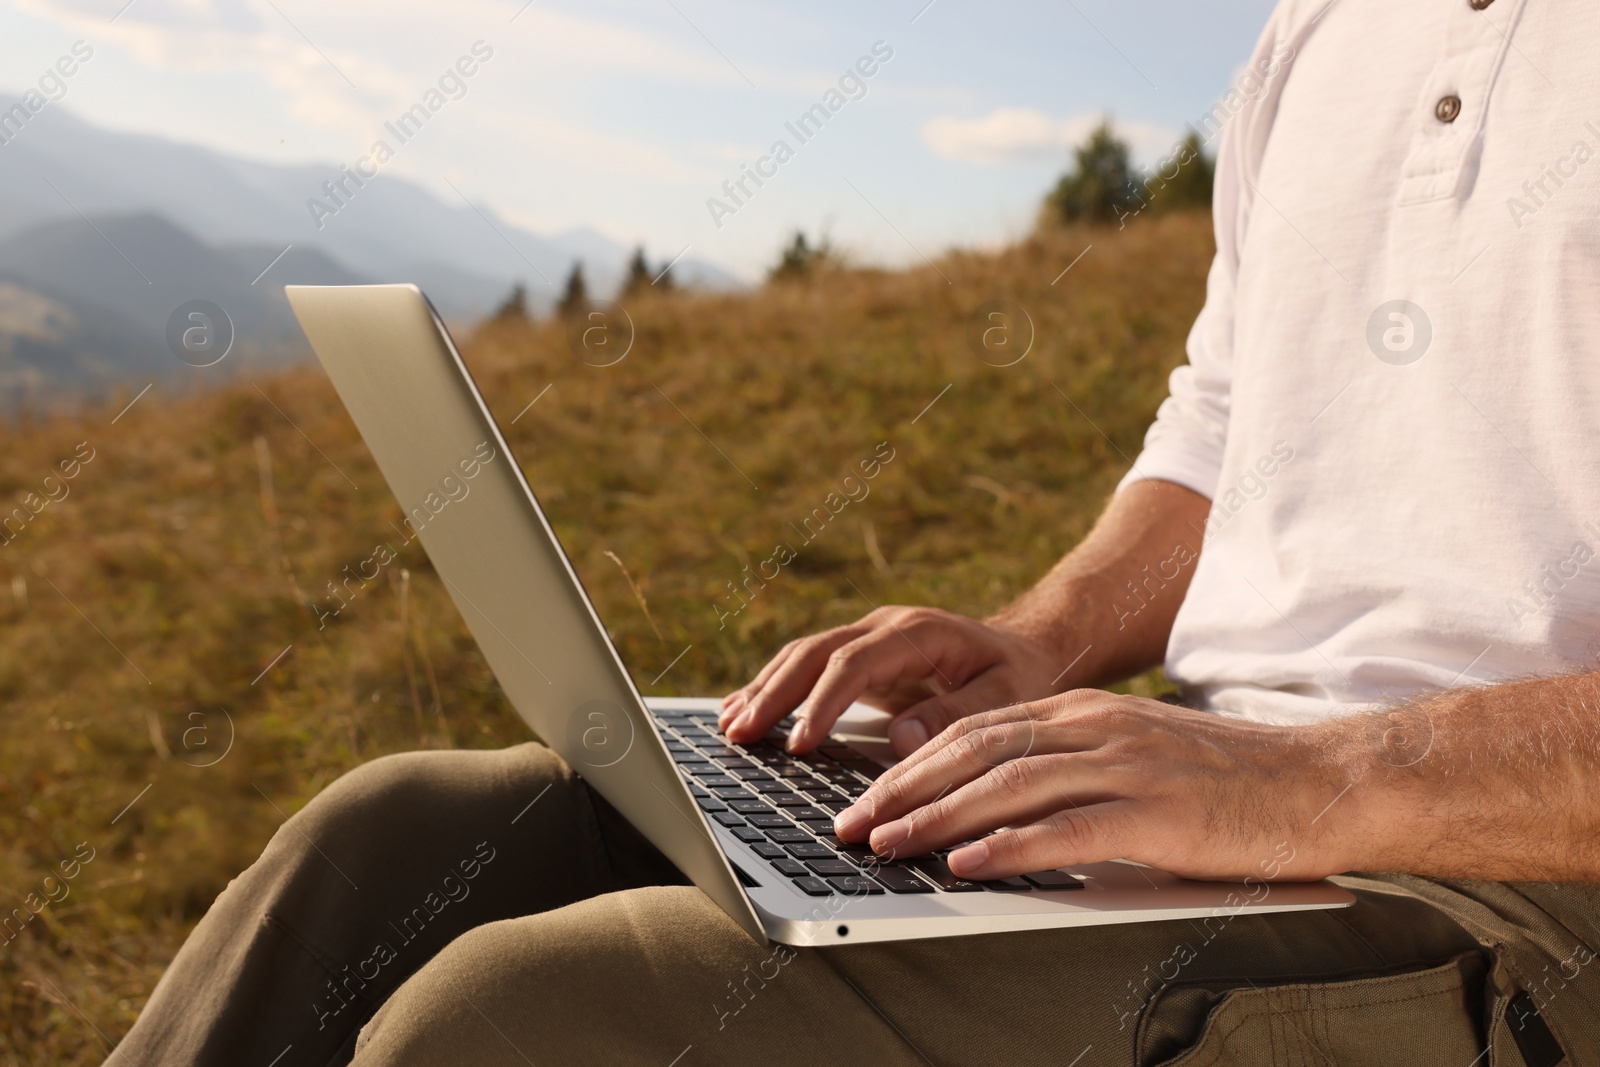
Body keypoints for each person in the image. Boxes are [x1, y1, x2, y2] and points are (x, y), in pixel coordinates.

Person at [117, 1, 1600, 1063]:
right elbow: (1226, 425)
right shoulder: (1321, 32)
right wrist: (1042, 640)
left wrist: (1312, 779)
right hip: (1214, 791)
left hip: (1513, 885)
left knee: (515, 1018)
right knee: (384, 844)